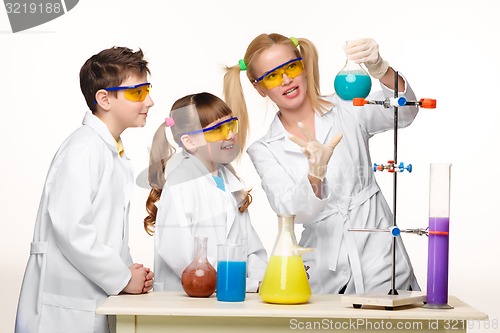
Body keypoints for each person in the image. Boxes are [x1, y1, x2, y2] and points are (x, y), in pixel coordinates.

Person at [223, 33, 420, 294]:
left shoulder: (346, 107)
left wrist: (381, 69)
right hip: (324, 264)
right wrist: (315, 175)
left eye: (291, 67)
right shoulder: (264, 149)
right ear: (260, 88)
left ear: (303, 65)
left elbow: (405, 113)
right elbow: (293, 211)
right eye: (271, 76)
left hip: (378, 249)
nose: (286, 80)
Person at [15, 46, 155, 333]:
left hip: (92, 299)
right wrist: (122, 277)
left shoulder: (109, 151)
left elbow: (107, 232)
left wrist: (130, 273)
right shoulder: (83, 149)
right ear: (104, 98)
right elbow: (72, 229)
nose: (150, 101)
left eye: (147, 89)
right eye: (137, 92)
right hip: (65, 308)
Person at [144, 92, 267, 293]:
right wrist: (250, 285)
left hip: (232, 298)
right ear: (190, 142)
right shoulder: (181, 184)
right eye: (218, 130)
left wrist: (262, 281)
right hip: (189, 308)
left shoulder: (228, 182)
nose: (230, 135)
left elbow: (252, 251)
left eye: (230, 125)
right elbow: (188, 265)